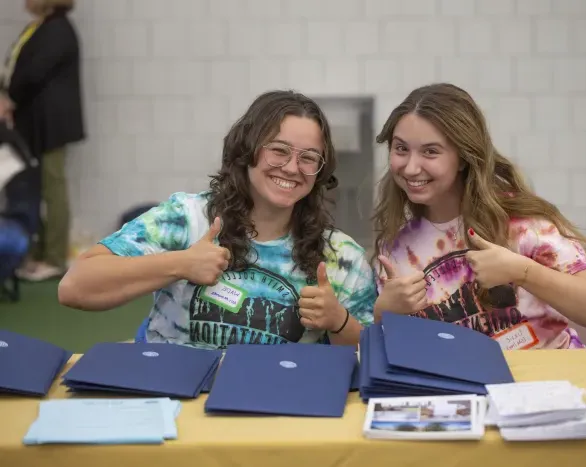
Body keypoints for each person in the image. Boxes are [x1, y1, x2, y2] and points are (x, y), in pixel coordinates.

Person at [58, 90, 376, 349]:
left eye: (308, 158)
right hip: (174, 402)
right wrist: (180, 264)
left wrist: (339, 321)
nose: (292, 168)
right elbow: (74, 288)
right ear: (247, 149)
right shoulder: (187, 219)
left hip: (278, 412)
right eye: (278, 151)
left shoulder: (340, 257)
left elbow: (371, 355)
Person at [371, 83, 586, 350]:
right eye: (401, 149)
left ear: (464, 158)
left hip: (550, 383)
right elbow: (401, 353)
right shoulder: (395, 248)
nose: (410, 167)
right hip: (461, 388)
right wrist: (383, 314)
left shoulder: (522, 225)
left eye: (431, 151)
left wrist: (522, 272)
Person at [0, 0, 85, 282]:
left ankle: (55, 256)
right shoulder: (39, 27)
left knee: (53, 186)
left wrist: (10, 98)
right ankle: (41, 249)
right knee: (39, 188)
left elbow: (33, 73)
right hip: (35, 122)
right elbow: (16, 66)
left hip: (52, 124)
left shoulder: (58, 29)